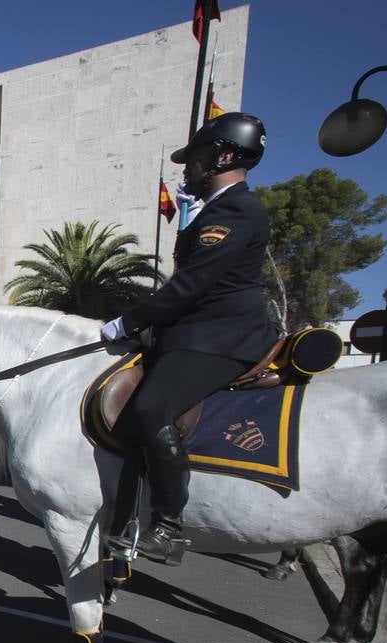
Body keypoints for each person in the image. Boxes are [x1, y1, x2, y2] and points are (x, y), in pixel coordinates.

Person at [101, 112, 277, 566]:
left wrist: (127, 322)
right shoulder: (218, 211)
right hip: (196, 332)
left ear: (221, 156)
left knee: (149, 407)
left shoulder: (237, 209)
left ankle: (167, 525)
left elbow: (190, 287)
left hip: (221, 336)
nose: (187, 170)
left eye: (194, 160)